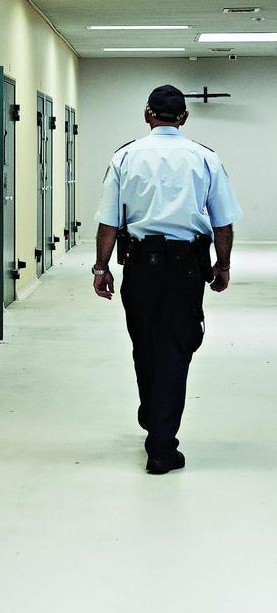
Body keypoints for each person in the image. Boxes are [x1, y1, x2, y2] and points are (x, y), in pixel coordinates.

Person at [92, 84, 242, 475]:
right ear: (185, 118)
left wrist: (101, 267)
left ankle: (154, 423)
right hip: (186, 268)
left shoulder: (125, 157)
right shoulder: (205, 158)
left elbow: (109, 221)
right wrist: (221, 266)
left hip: (139, 267)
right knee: (176, 349)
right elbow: (222, 223)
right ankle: (161, 444)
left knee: (145, 347)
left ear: (147, 115)